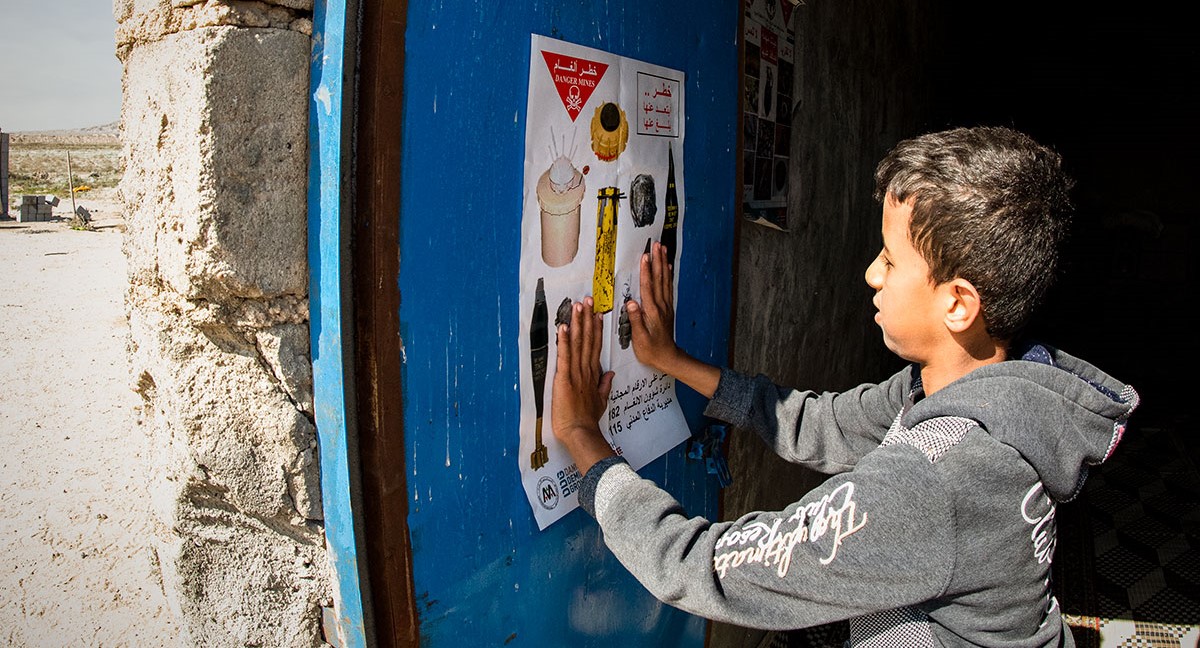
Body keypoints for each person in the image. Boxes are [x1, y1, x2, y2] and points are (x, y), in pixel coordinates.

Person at [550, 126, 1140, 647]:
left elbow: (701, 567)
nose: (870, 273)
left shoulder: (933, 484)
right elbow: (820, 424)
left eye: (891, 259)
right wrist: (673, 361)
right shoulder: (972, 391)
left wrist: (580, 436)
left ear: (959, 303)